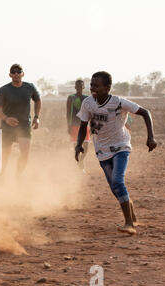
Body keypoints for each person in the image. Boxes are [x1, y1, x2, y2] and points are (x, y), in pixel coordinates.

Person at [75, 71, 157, 235]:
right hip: (101, 149)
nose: (92, 88)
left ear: (107, 87)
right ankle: (131, 215)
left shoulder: (118, 102)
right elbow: (83, 125)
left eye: (96, 85)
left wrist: (151, 137)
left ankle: (128, 224)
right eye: (91, 85)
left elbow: (145, 112)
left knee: (117, 181)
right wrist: (78, 145)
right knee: (115, 187)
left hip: (121, 146)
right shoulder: (88, 103)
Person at [0, 64, 42, 176]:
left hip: (24, 125)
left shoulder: (29, 87)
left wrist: (36, 117)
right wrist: (6, 118)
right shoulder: (4, 90)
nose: (16, 74)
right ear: (10, 75)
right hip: (7, 126)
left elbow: (38, 101)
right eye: (13, 72)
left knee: (25, 153)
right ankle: (2, 173)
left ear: (22, 74)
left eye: (18, 72)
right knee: (6, 153)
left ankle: (18, 176)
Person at [67, 79, 90, 171]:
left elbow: (90, 112)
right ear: (75, 87)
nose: (79, 88)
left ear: (83, 87)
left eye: (81, 86)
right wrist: (68, 126)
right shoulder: (71, 98)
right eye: (77, 86)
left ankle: (81, 161)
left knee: (86, 148)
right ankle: (80, 165)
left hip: (85, 125)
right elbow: (68, 112)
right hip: (74, 125)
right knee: (76, 147)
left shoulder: (87, 98)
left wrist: (92, 125)